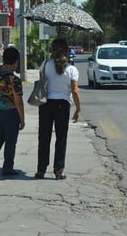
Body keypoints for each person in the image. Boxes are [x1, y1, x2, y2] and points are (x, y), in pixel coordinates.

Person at [35, 38, 81, 180]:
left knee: (44, 137)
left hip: (45, 104)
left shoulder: (45, 64)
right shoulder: (72, 69)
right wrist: (78, 109)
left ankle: (41, 170)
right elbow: (75, 91)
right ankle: (59, 170)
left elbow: (42, 83)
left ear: (52, 49)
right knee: (61, 138)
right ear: (67, 50)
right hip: (62, 105)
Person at [0, 47, 24, 175]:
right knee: (10, 141)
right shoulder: (14, 80)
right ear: (16, 61)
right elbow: (18, 102)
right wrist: (22, 120)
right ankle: (8, 167)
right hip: (9, 113)